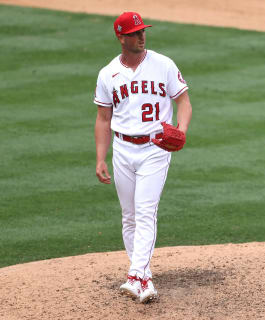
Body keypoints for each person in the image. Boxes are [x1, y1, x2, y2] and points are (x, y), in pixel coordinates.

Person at [93, 11, 192, 303]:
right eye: (135, 32)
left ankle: (134, 275)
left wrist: (181, 130)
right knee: (130, 216)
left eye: (142, 31)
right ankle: (144, 280)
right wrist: (101, 157)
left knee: (146, 211)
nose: (141, 36)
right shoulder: (107, 74)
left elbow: (183, 101)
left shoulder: (163, 64)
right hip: (122, 149)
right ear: (121, 37)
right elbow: (102, 118)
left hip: (155, 148)